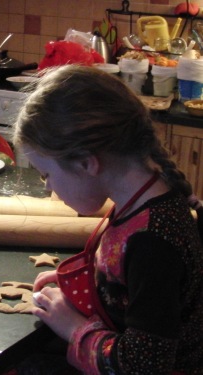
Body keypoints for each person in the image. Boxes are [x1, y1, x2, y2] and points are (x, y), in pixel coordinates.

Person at [11, 65, 203, 374]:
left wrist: (73, 327)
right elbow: (132, 294)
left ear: (87, 163)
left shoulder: (154, 240)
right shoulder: (141, 202)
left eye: (47, 174)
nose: (48, 186)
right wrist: (86, 287)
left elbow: (144, 366)